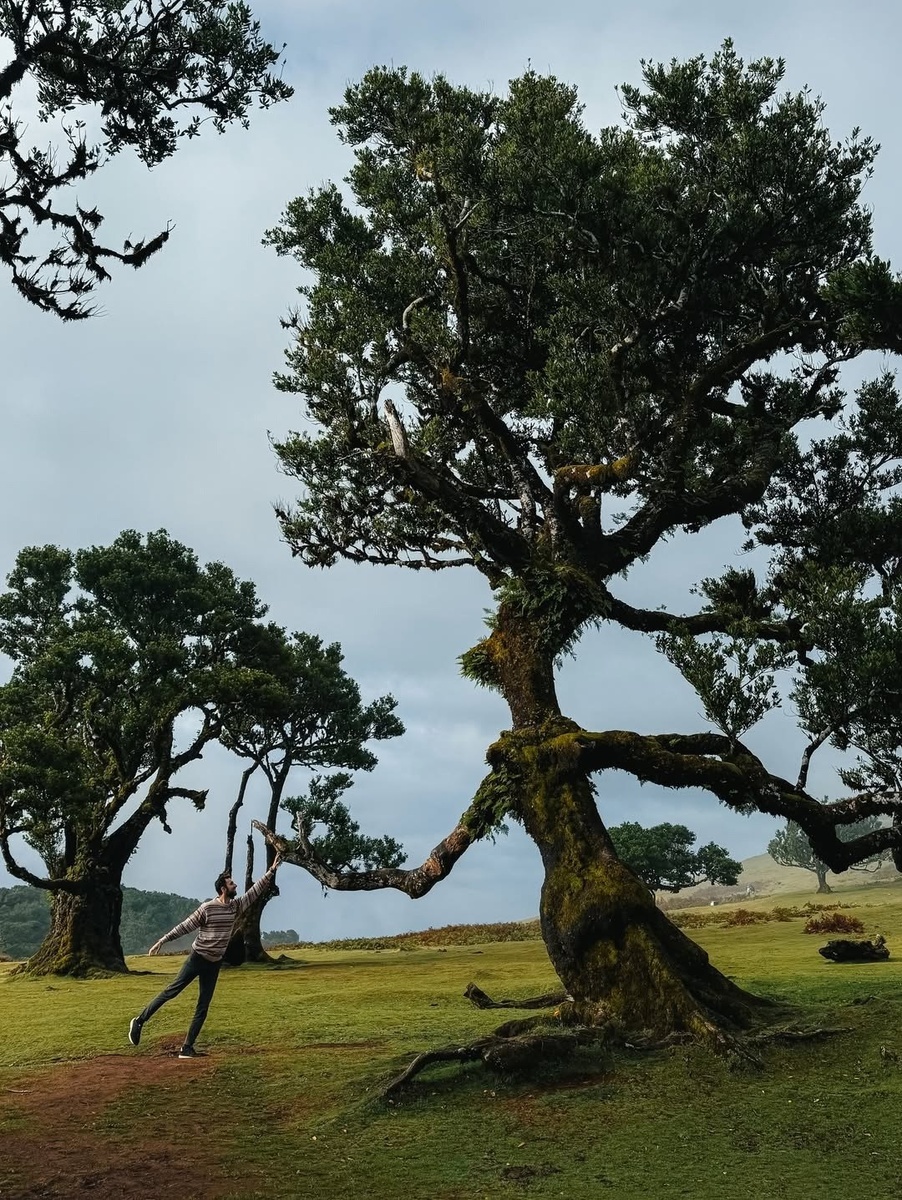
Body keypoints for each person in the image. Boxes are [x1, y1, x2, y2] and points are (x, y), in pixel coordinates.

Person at [128, 853, 282, 1058]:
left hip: (214, 963)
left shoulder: (235, 906)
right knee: (172, 991)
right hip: (197, 958)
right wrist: (162, 941)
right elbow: (185, 926)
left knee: (203, 1006)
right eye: (231, 883)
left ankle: (187, 1048)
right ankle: (139, 1021)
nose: (235, 885)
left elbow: (255, 892)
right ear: (223, 889)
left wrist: (272, 870)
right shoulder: (207, 908)